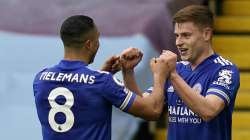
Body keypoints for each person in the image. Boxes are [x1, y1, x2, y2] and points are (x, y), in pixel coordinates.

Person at [33, 15, 171, 140]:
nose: (98, 44)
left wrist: (114, 72)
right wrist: (160, 74)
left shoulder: (40, 79)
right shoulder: (102, 82)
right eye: (97, 39)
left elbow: (78, 96)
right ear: (89, 44)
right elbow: (152, 111)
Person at [122, 5, 240, 140]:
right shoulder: (177, 69)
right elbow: (146, 109)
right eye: (177, 36)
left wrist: (172, 75)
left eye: (186, 35)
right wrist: (128, 72)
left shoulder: (225, 70)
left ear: (206, 34)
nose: (178, 42)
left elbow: (209, 110)